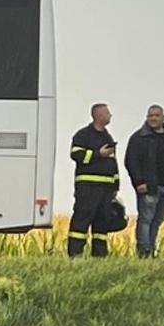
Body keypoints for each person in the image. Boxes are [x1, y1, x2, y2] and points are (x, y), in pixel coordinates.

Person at [123, 104, 164, 258]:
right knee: (145, 220)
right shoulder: (139, 138)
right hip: (148, 186)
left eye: (156, 115)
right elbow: (131, 161)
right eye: (150, 116)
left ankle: (151, 250)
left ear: (163, 117)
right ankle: (144, 252)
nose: (153, 118)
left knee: (157, 220)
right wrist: (139, 182)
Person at [65, 102, 120, 258]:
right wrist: (98, 154)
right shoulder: (83, 135)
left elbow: (112, 163)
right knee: (82, 219)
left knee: (102, 222)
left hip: (106, 189)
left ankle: (100, 254)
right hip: (88, 187)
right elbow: (76, 154)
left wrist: (115, 184)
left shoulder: (107, 136)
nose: (110, 115)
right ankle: (75, 253)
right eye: (107, 113)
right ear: (98, 115)